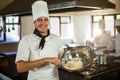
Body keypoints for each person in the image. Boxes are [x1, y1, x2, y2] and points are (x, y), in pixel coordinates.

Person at [15, 1, 64, 80]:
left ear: (48, 21)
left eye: (45, 19)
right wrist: (45, 60)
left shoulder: (56, 38)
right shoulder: (26, 40)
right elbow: (20, 68)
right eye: (39, 20)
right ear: (34, 22)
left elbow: (62, 59)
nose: (43, 23)